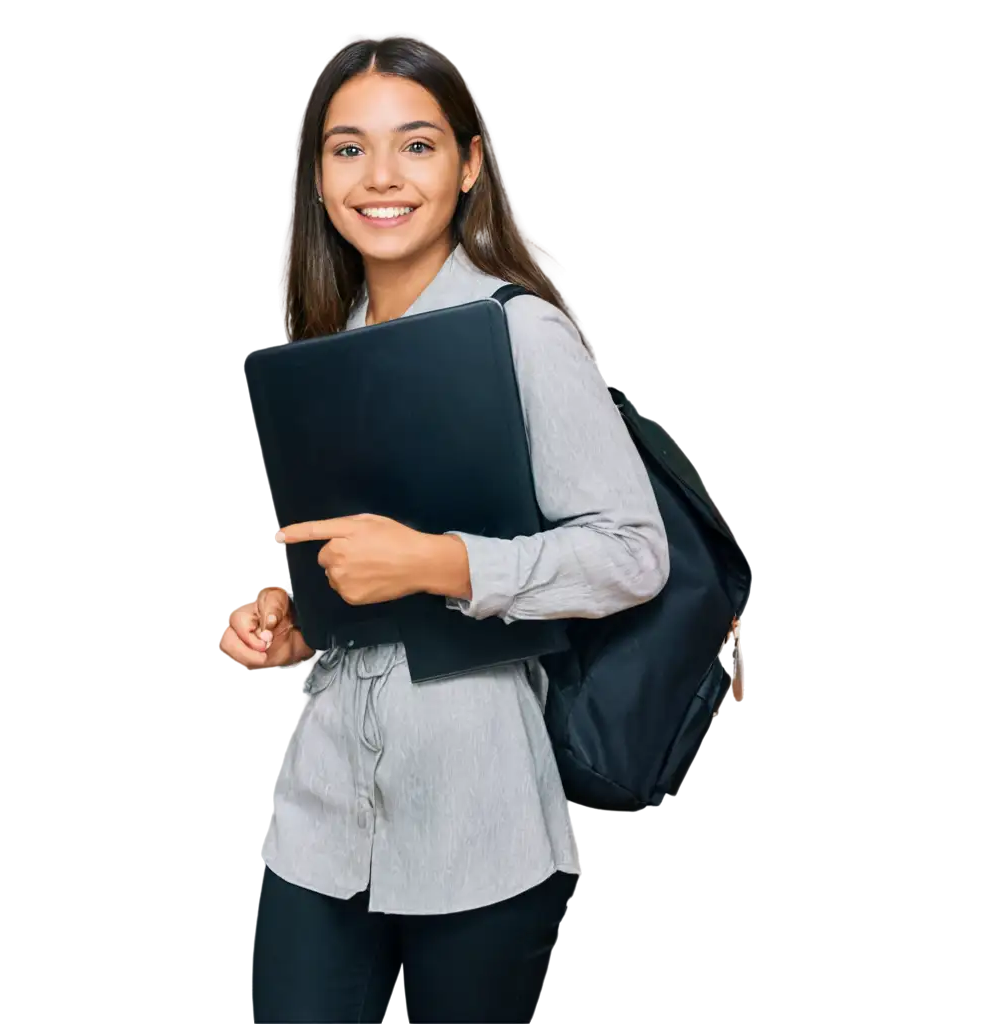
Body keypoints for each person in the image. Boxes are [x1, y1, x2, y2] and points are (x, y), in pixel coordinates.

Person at [214, 36, 670, 1023]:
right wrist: (291, 623)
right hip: (324, 820)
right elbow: (349, 583)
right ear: (320, 178)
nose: (381, 177)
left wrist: (441, 562)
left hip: (479, 829)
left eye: (414, 146)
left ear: (467, 166)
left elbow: (633, 550)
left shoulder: (520, 332)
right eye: (348, 149)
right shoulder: (331, 350)